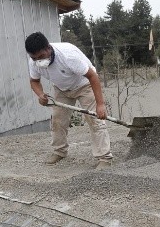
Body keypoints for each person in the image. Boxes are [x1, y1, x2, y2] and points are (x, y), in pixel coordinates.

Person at [24, 31, 113, 169]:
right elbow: (34, 81)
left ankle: (104, 158)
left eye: (41, 56)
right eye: (34, 58)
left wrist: (100, 104)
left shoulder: (68, 56)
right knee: (57, 120)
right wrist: (40, 95)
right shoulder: (34, 62)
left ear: (48, 48)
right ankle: (59, 151)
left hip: (85, 85)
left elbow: (93, 76)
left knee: (95, 120)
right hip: (62, 89)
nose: (38, 61)